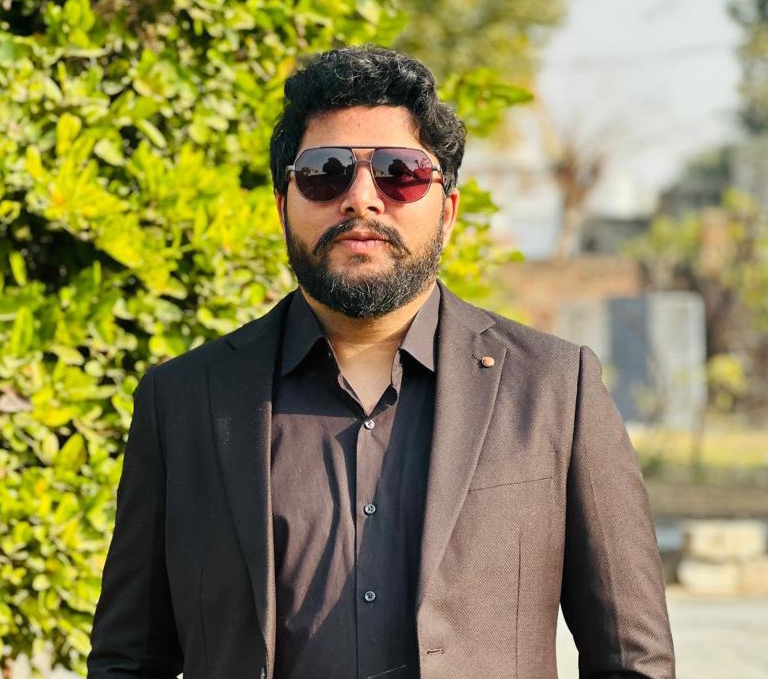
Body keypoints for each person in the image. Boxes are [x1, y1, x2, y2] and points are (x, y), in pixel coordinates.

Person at [88, 46, 675, 679]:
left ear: (447, 210)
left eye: (401, 173)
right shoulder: (185, 402)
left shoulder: (556, 389)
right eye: (326, 172)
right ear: (283, 205)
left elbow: (632, 660)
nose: (362, 199)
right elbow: (130, 659)